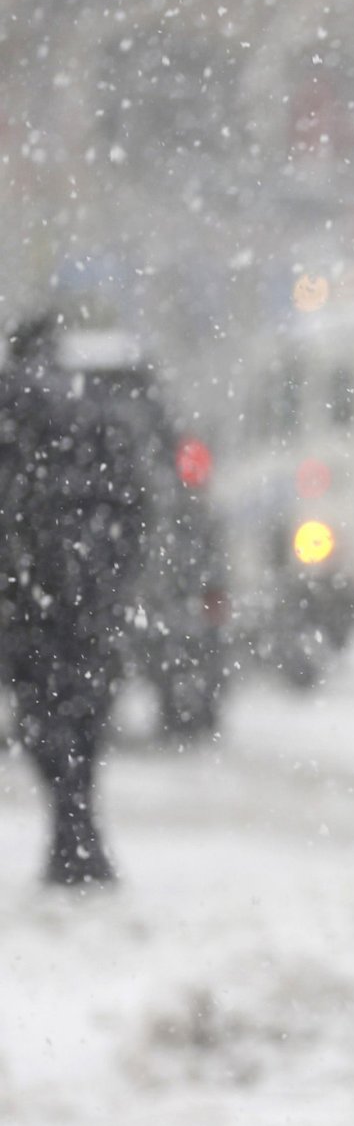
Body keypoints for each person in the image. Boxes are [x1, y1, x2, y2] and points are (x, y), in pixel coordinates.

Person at [0, 312, 149, 884]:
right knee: (83, 711)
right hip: (87, 596)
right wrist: (112, 574)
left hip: (27, 593)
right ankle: (79, 826)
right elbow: (136, 502)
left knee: (43, 714)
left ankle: (70, 825)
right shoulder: (99, 411)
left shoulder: (13, 406)